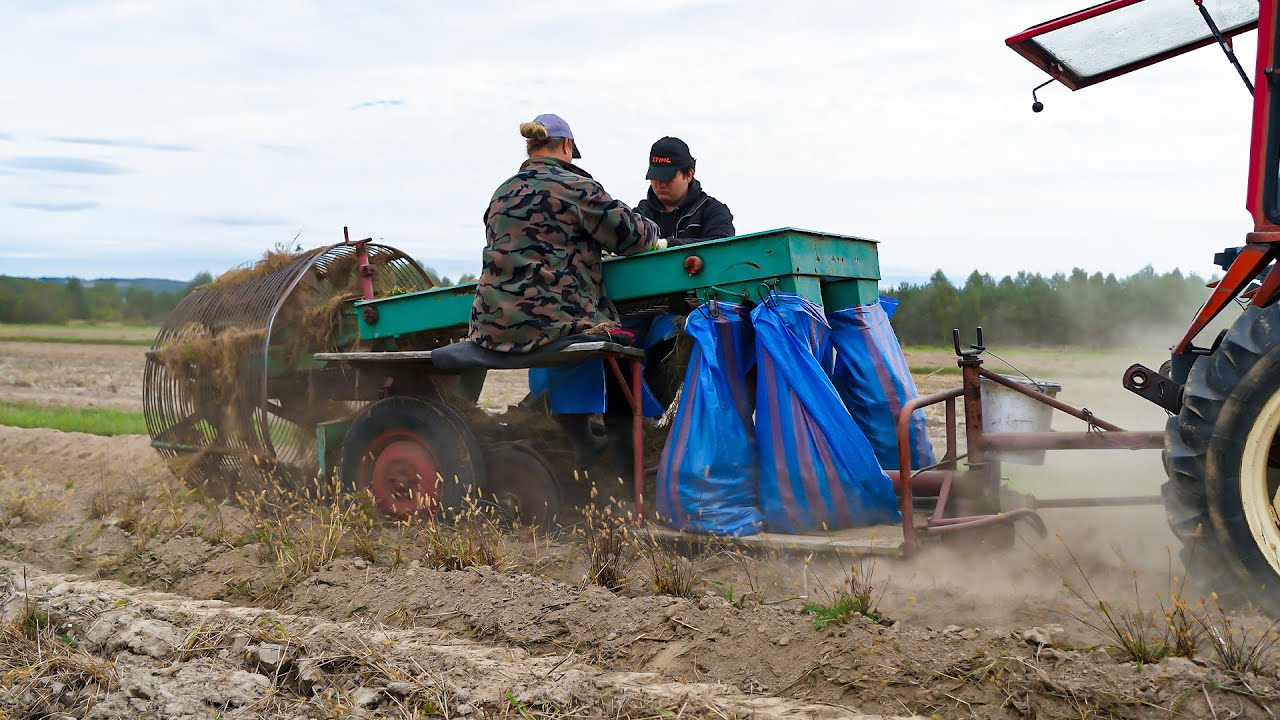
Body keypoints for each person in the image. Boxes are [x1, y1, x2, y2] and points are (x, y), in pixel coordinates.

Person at [469, 114, 664, 353]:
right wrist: (655, 231)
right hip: (553, 325)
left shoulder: (501, 194)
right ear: (566, 145)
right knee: (633, 345)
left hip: (490, 330)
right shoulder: (576, 187)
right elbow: (636, 237)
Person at [635, 136, 735, 245]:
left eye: (667, 177)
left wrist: (666, 245)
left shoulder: (713, 212)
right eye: (655, 177)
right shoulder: (639, 216)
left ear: (689, 175)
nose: (661, 183)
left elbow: (723, 246)